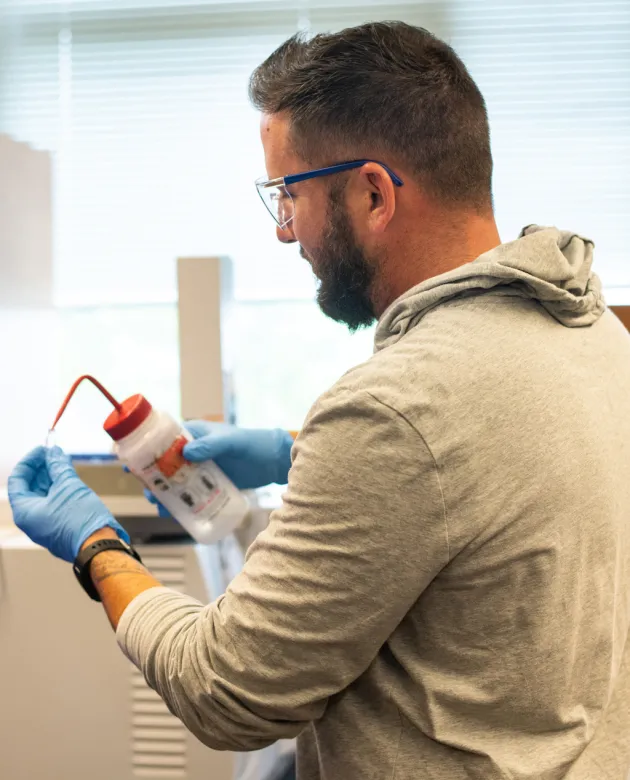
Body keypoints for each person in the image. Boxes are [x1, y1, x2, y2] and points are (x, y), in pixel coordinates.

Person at [8, 21, 630, 780]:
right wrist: (291, 451)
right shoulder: (592, 329)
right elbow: (489, 464)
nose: (283, 230)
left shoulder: (399, 407)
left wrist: (98, 546)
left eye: (288, 194)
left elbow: (224, 690)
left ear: (372, 192)